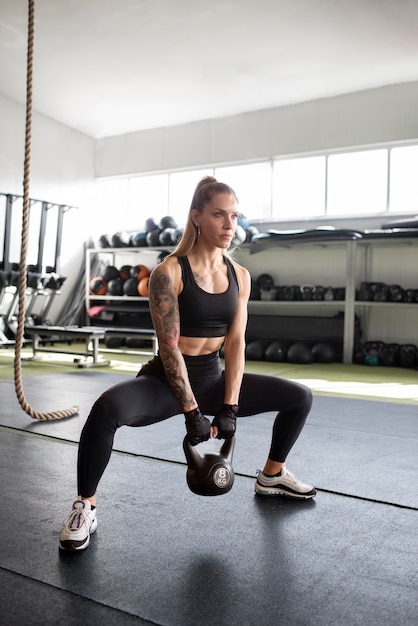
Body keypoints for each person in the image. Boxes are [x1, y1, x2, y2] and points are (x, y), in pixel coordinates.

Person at [59, 176, 316, 552]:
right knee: (106, 409)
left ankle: (272, 475)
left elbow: (236, 342)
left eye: (235, 216)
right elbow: (169, 347)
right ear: (197, 217)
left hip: (213, 379)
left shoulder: (239, 276)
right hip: (166, 382)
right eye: (219, 215)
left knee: (299, 397)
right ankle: (86, 505)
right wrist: (192, 412)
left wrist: (229, 405)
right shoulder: (169, 272)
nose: (230, 225)